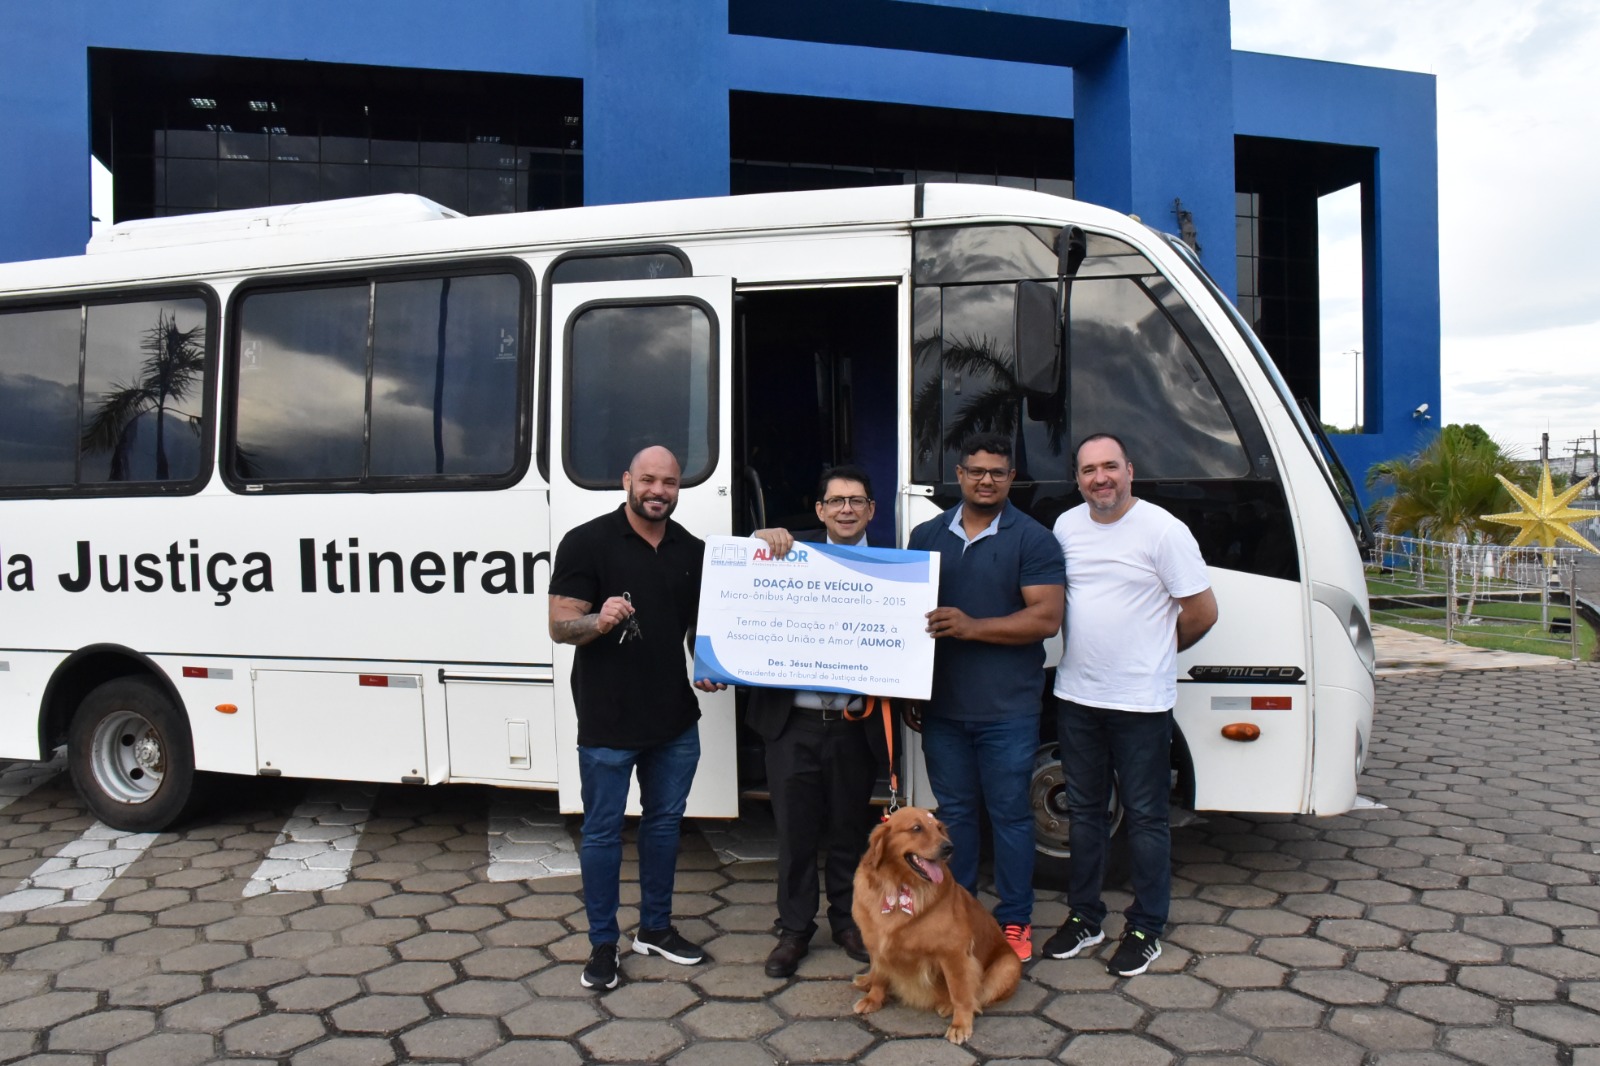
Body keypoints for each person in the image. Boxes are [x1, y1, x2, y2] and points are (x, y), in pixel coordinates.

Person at [1041, 433, 1218, 977]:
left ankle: (1146, 927)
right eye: (1089, 470)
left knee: (1145, 818)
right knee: (1086, 814)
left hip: (1141, 703)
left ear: (1130, 470)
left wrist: (1155, 655)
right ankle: (1086, 916)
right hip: (1076, 696)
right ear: (1077, 479)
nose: (1101, 479)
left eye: (1110, 467)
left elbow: (1202, 611)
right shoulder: (1066, 526)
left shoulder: (1164, 531)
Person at [549, 444, 722, 992]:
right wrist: (597, 620)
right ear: (627, 480)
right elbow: (558, 626)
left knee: (664, 827)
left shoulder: (690, 549)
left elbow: (698, 625)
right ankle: (603, 943)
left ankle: (655, 928)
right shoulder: (587, 541)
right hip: (607, 719)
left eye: (669, 483)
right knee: (602, 833)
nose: (658, 491)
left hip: (674, 719)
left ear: (679, 488)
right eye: (648, 480)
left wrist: (710, 666)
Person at [906, 433, 1065, 962]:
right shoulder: (926, 535)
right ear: (959, 473)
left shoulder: (1034, 539)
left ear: (1011, 477)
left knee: (1011, 817)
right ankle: (958, 919)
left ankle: (1015, 921)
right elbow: (905, 622)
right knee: (954, 820)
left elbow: (1045, 618)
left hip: (1009, 710)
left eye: (997, 472)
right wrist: (909, 687)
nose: (986, 480)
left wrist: (972, 627)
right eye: (976, 471)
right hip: (944, 709)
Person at [742, 465, 881, 978]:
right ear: (819, 510)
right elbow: (740, 575)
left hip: (853, 726)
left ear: (871, 510)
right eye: (836, 500)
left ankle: (847, 922)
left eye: (857, 501)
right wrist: (757, 540)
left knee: (848, 832)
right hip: (792, 725)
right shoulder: (784, 556)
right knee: (795, 835)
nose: (846, 509)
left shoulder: (893, 572)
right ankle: (795, 930)